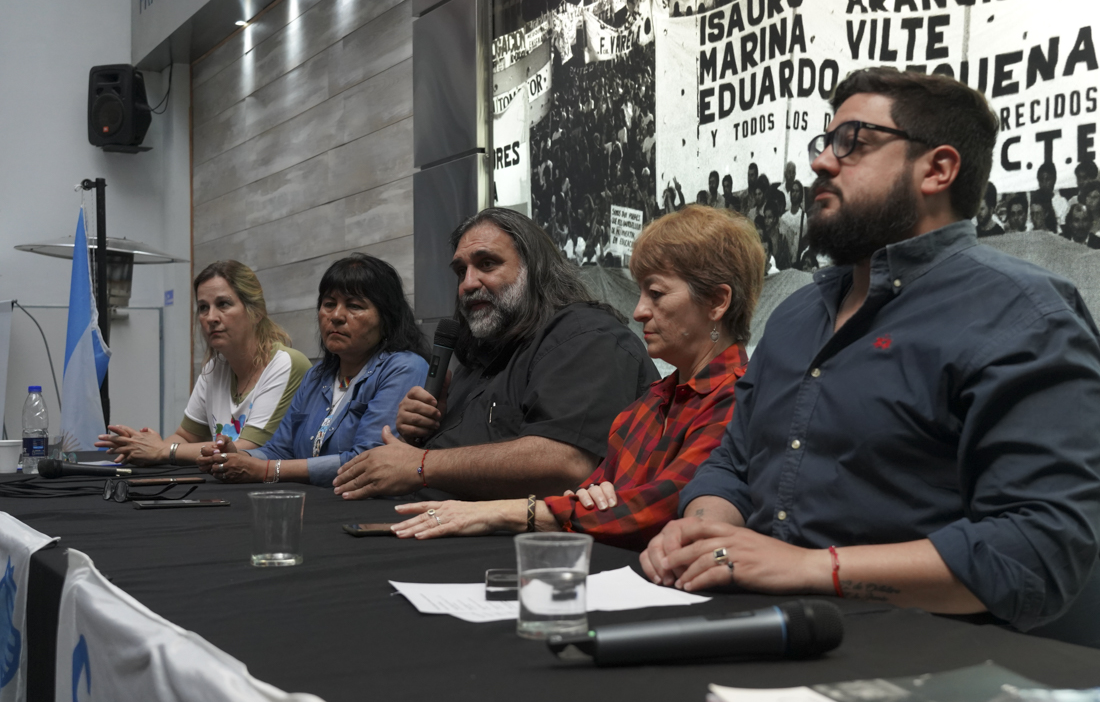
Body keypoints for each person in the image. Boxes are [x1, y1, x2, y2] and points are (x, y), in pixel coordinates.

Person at [640, 67, 1100, 649]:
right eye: (825, 142)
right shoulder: (795, 317)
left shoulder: (1025, 317)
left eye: (855, 143)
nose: (822, 162)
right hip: (775, 629)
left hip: (948, 659)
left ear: (937, 170)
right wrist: (704, 532)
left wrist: (808, 568)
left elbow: (1036, 554)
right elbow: (734, 463)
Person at [389, 207, 764, 549]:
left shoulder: (741, 397)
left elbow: (657, 510)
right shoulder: (650, 403)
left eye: (656, 293)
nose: (638, 312)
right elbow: (591, 497)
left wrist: (501, 512)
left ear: (717, 302)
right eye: (640, 293)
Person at [331, 208, 658, 500]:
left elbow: (564, 464)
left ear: (535, 269)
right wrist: (428, 429)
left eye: (487, 264)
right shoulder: (482, 353)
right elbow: (460, 457)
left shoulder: (586, 336)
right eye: (461, 271)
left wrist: (421, 465)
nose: (468, 284)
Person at [195, 254, 428, 487]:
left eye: (354, 306)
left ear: (387, 318)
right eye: (329, 304)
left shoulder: (404, 368)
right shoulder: (317, 376)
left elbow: (368, 461)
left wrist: (267, 470)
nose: (336, 316)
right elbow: (280, 450)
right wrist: (235, 456)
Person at [97, 261, 310, 464]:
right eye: (203, 308)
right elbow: (185, 437)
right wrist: (144, 449)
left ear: (256, 311)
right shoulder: (214, 368)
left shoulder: (286, 364)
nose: (210, 317)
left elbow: (247, 450)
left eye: (223, 304)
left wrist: (162, 451)